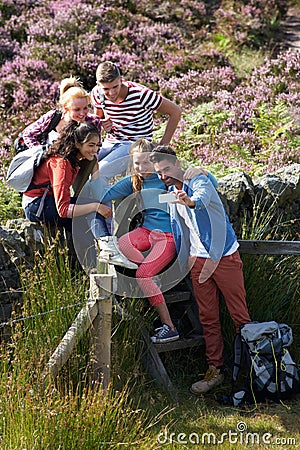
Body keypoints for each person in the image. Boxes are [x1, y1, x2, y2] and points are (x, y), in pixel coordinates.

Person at [88, 138, 217, 343]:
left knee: (142, 275)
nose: (141, 168)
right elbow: (106, 194)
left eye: (146, 163)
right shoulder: (134, 181)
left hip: (167, 237)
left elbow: (199, 189)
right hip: (146, 231)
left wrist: (204, 172)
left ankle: (170, 326)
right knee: (122, 244)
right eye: (137, 163)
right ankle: (154, 277)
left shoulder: (165, 179)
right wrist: (94, 176)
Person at [149, 146, 251, 394]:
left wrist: (191, 201)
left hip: (223, 257)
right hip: (197, 261)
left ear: (177, 164)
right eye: (159, 172)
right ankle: (215, 369)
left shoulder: (197, 179)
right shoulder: (170, 190)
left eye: (166, 170)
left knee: (239, 315)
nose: (163, 176)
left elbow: (205, 194)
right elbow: (153, 201)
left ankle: (251, 369)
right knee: (207, 317)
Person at [90, 61, 182, 186]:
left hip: (134, 144)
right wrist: (101, 124)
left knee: (99, 172)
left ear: (121, 80)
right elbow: (98, 119)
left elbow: (175, 111)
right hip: (111, 141)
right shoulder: (97, 93)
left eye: (115, 87)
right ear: (98, 85)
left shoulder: (141, 94)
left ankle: (100, 206)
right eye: (106, 89)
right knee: (84, 165)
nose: (111, 93)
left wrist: (162, 146)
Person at [23, 76, 102, 148]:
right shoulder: (53, 117)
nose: (82, 113)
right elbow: (28, 134)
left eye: (85, 108)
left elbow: (97, 147)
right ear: (66, 108)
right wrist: (42, 153)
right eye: (77, 109)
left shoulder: (93, 121)